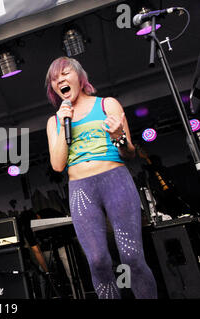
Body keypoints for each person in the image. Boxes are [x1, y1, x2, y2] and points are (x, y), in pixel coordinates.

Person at [45, 56, 157, 299]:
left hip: (114, 179)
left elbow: (129, 153)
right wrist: (65, 121)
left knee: (132, 256)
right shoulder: (54, 121)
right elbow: (57, 165)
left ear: (79, 77)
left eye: (65, 74)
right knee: (97, 261)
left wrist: (119, 136)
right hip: (81, 188)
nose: (59, 80)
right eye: (54, 79)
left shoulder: (107, 104)